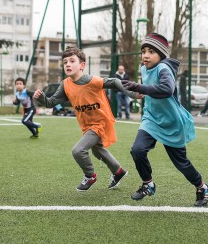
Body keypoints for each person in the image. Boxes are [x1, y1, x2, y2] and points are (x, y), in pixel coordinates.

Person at [33, 46, 142, 192]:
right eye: (65, 62)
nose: (68, 64)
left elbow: (115, 82)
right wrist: (41, 98)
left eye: (72, 61)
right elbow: (50, 103)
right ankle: (118, 172)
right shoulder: (65, 85)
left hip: (100, 123)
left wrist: (133, 94)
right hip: (87, 125)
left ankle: (90, 176)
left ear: (82, 65)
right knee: (97, 151)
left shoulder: (92, 81)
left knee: (78, 151)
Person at [122, 33, 208, 207]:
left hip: (171, 122)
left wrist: (140, 87)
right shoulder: (143, 68)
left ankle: (202, 187)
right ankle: (148, 184)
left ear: (161, 55)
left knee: (181, 164)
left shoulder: (164, 68)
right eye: (143, 51)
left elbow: (166, 89)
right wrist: (129, 89)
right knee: (137, 150)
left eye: (151, 52)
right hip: (151, 118)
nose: (146, 55)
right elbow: (144, 92)